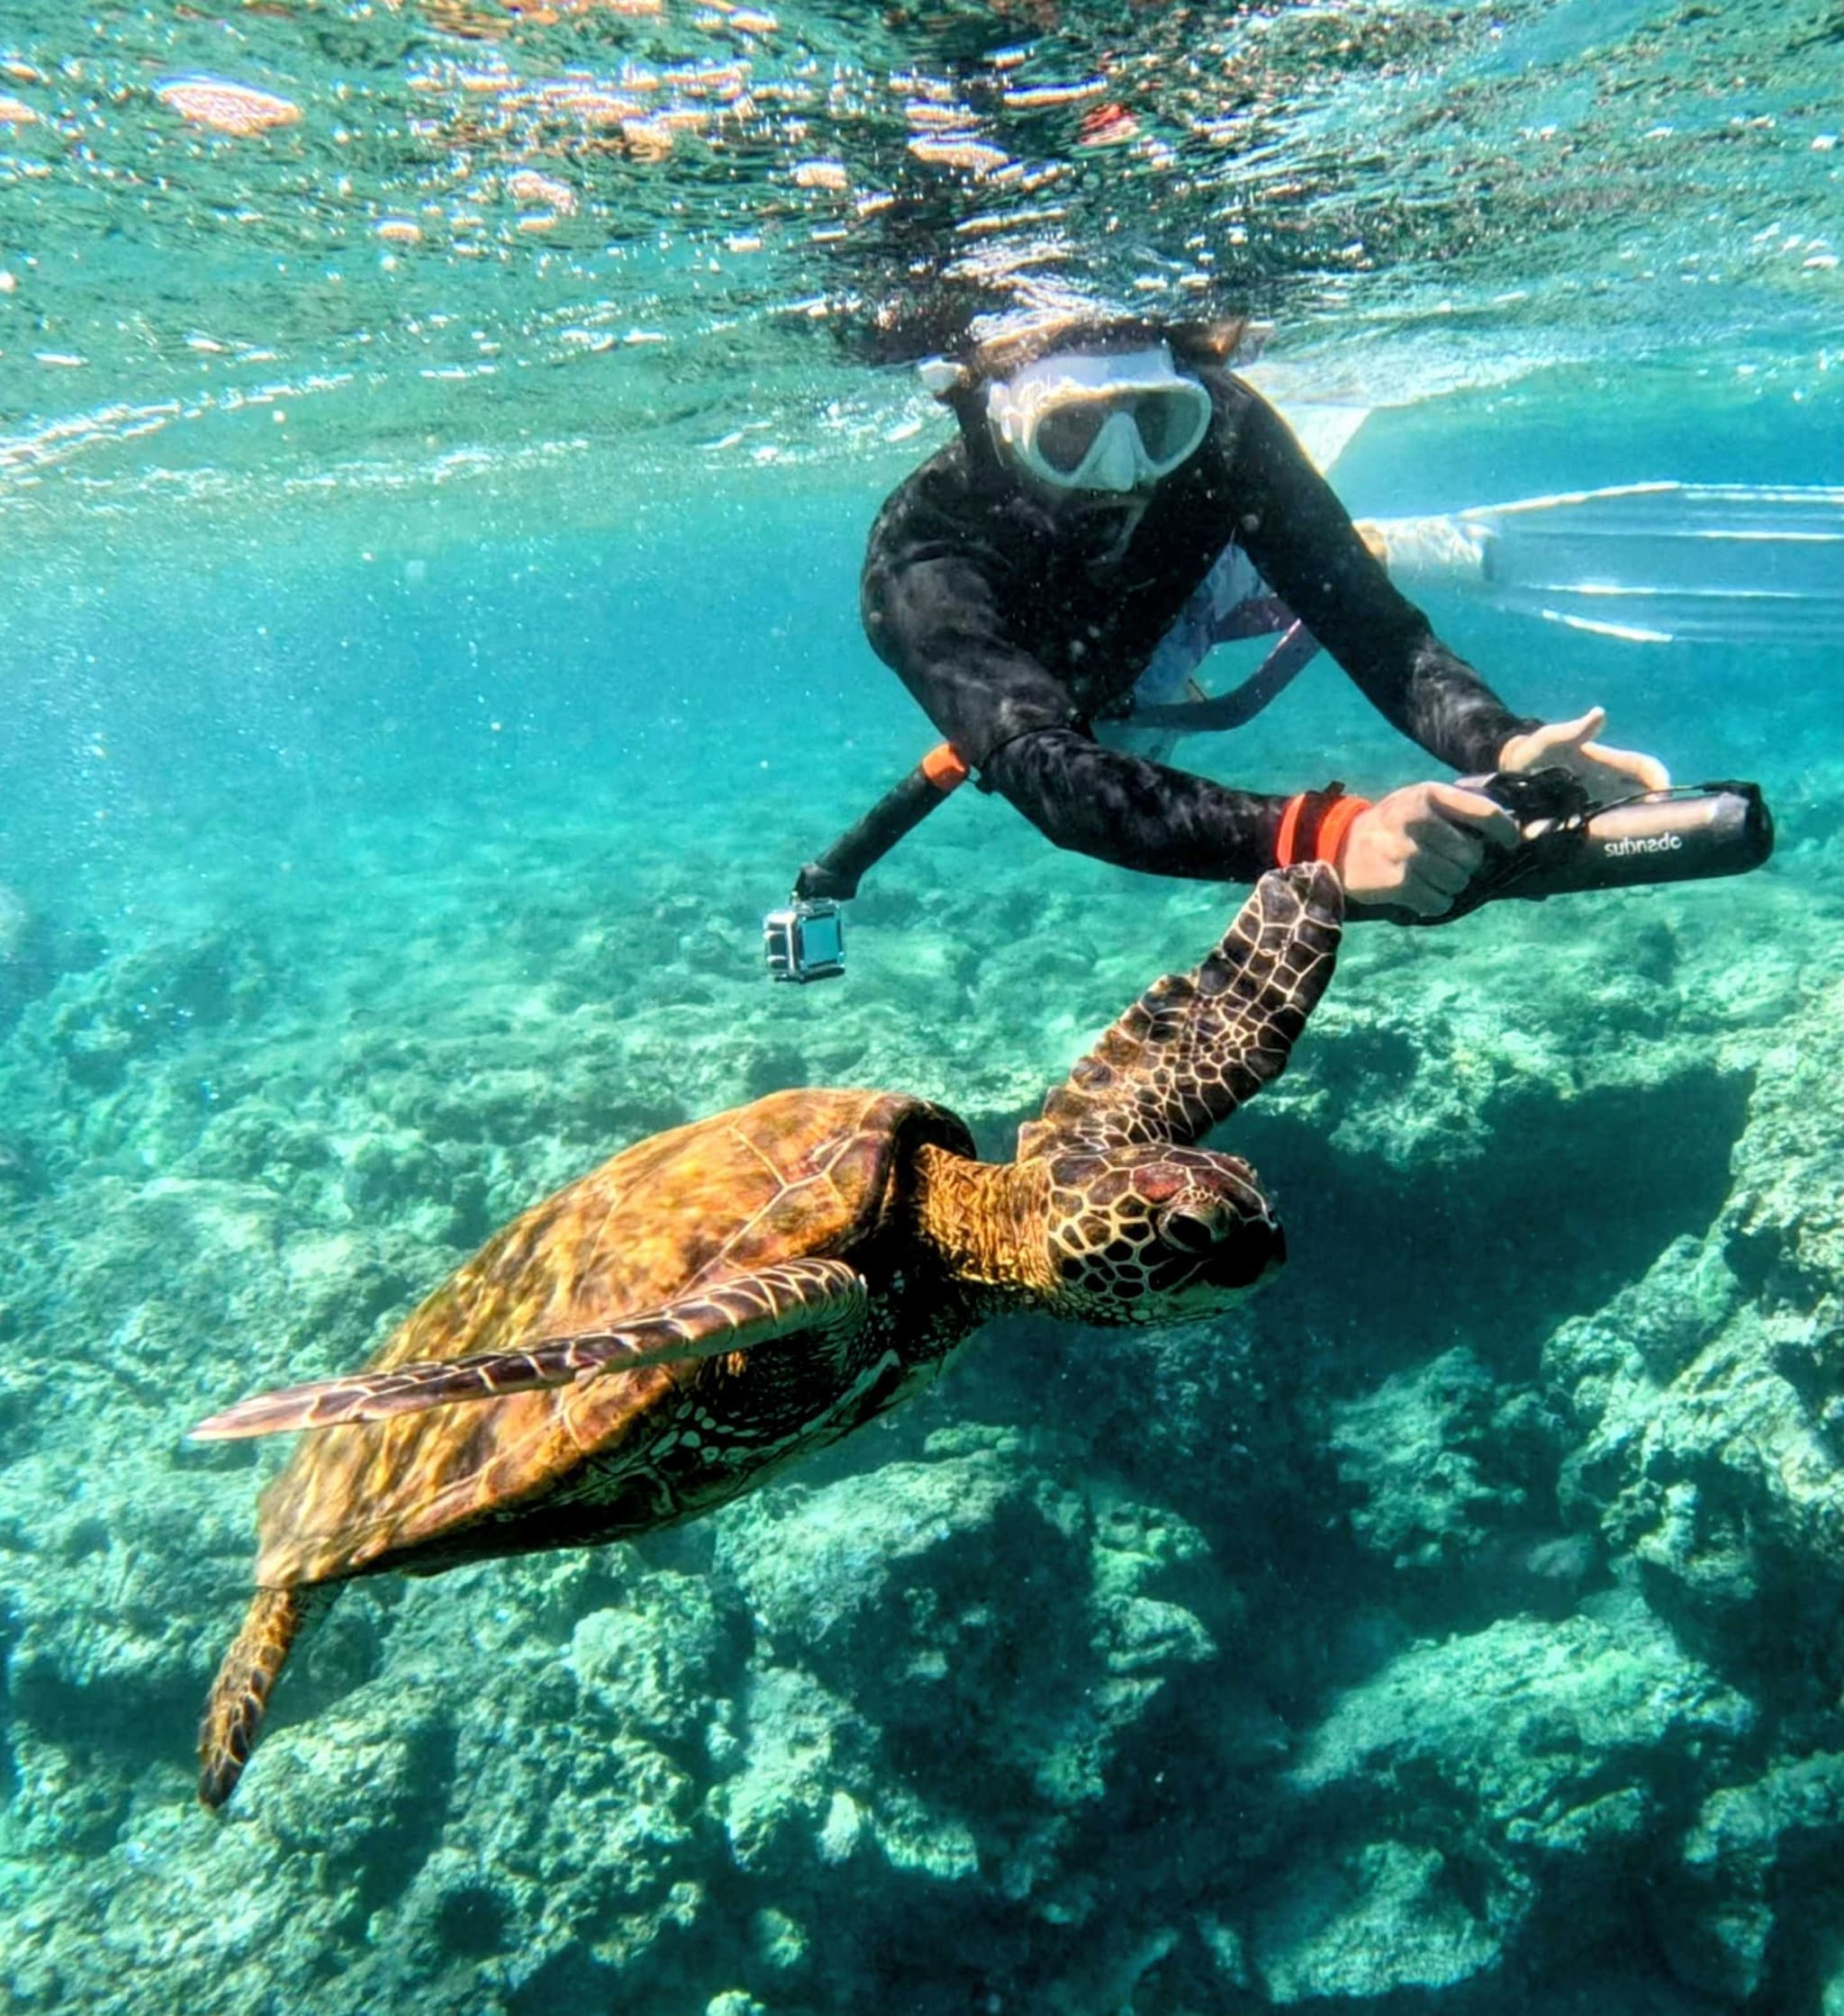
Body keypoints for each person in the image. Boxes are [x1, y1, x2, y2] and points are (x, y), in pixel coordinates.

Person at [859, 312, 1669, 919]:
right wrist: (1331, 836)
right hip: (1070, 697)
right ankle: (1284, 562)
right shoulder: (923, 544)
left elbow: (1370, 625)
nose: (1124, 472)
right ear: (998, 425)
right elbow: (1051, 768)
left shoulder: (1226, 428)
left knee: (1290, 576)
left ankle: (1332, 545)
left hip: (1183, 589)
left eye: (1155, 424)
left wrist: (1506, 742)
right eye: (1069, 433)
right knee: (1129, 739)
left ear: (1187, 400)